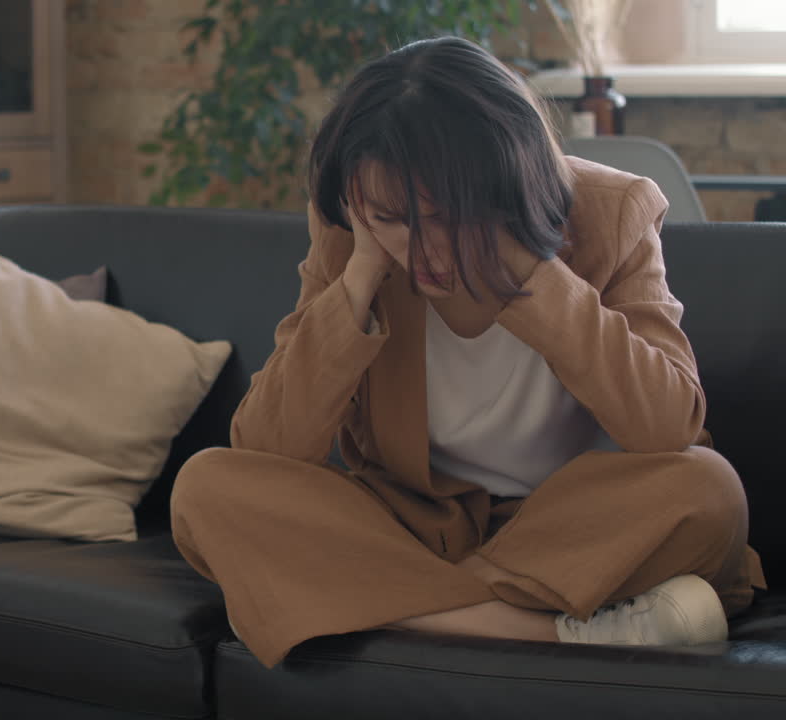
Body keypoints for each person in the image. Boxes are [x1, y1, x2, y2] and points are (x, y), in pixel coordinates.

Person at [168, 36, 767, 671]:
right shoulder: (354, 233)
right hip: (415, 524)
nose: (424, 252)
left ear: (508, 186)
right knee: (208, 488)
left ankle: (377, 607)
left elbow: (668, 426)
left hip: (574, 531)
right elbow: (268, 447)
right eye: (393, 219)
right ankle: (541, 630)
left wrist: (531, 272)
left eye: (447, 217)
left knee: (707, 489)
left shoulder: (612, 212)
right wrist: (360, 276)